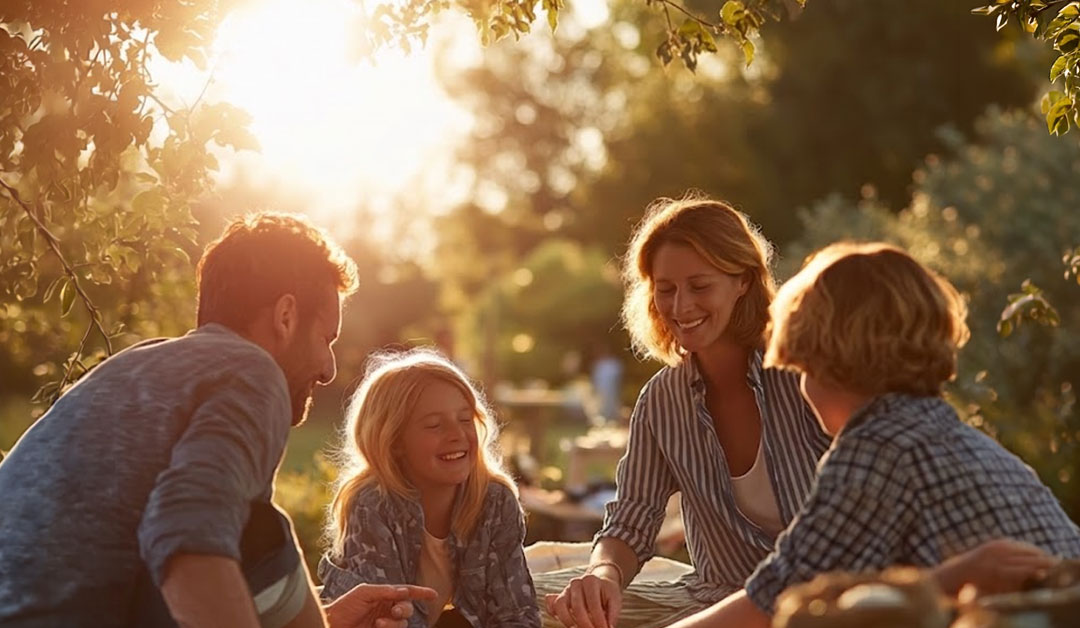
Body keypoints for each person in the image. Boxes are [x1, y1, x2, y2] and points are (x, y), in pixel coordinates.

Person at [0, 213, 433, 628]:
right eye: (326, 338)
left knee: (255, 526)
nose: (329, 369)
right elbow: (188, 537)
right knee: (258, 530)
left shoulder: (137, 367)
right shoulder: (252, 371)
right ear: (285, 316)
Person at [666, 242, 1080, 628]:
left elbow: (773, 605)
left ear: (829, 361)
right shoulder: (967, 446)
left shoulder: (877, 449)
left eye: (802, 370)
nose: (802, 389)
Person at [539, 196, 834, 628]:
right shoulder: (662, 401)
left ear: (743, 281)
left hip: (819, 607)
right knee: (530, 602)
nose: (680, 307)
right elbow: (631, 518)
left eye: (699, 286)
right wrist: (602, 574)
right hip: (711, 600)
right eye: (666, 289)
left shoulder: (806, 377)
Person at [319, 348, 541, 627]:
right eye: (435, 425)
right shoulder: (372, 504)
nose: (457, 434)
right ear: (394, 442)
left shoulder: (495, 500)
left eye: (465, 419)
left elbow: (517, 612)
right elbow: (391, 616)